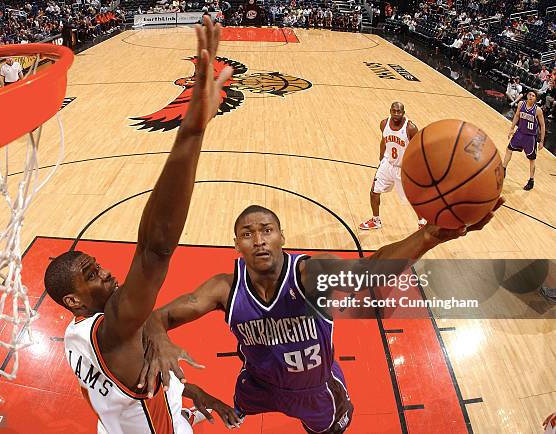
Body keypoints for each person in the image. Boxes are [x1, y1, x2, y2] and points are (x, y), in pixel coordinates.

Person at [140, 199, 503, 434]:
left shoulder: (308, 274)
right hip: (259, 383)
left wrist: (428, 237)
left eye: (267, 230)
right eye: (247, 234)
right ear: (236, 245)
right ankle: (194, 414)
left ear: (282, 236)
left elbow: (371, 270)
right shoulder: (224, 287)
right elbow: (160, 316)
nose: (259, 240)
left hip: (316, 390)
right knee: (236, 411)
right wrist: (159, 338)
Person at [44, 17, 241, 433]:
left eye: (97, 266)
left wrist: (194, 393)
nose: (107, 274)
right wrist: (191, 130)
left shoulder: (75, 337)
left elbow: (133, 379)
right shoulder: (113, 328)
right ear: (74, 301)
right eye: (92, 276)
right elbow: (155, 249)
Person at [359, 102, 427, 231]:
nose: (396, 114)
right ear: (390, 111)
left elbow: (417, 148)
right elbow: (384, 140)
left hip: (403, 168)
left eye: (399, 111)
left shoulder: (410, 128)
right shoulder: (384, 124)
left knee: (413, 197)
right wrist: (381, 156)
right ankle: (376, 220)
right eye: (394, 111)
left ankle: (422, 222)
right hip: (388, 164)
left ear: (403, 112)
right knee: (374, 192)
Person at [503, 91, 546, 191]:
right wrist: (511, 128)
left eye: (533, 96)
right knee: (509, 149)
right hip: (519, 133)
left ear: (535, 99)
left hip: (530, 138)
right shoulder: (521, 104)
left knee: (531, 159)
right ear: (527, 96)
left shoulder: (538, 110)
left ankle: (531, 180)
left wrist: (542, 141)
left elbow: (542, 125)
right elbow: (517, 116)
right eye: (530, 95)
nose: (531, 97)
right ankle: (503, 169)